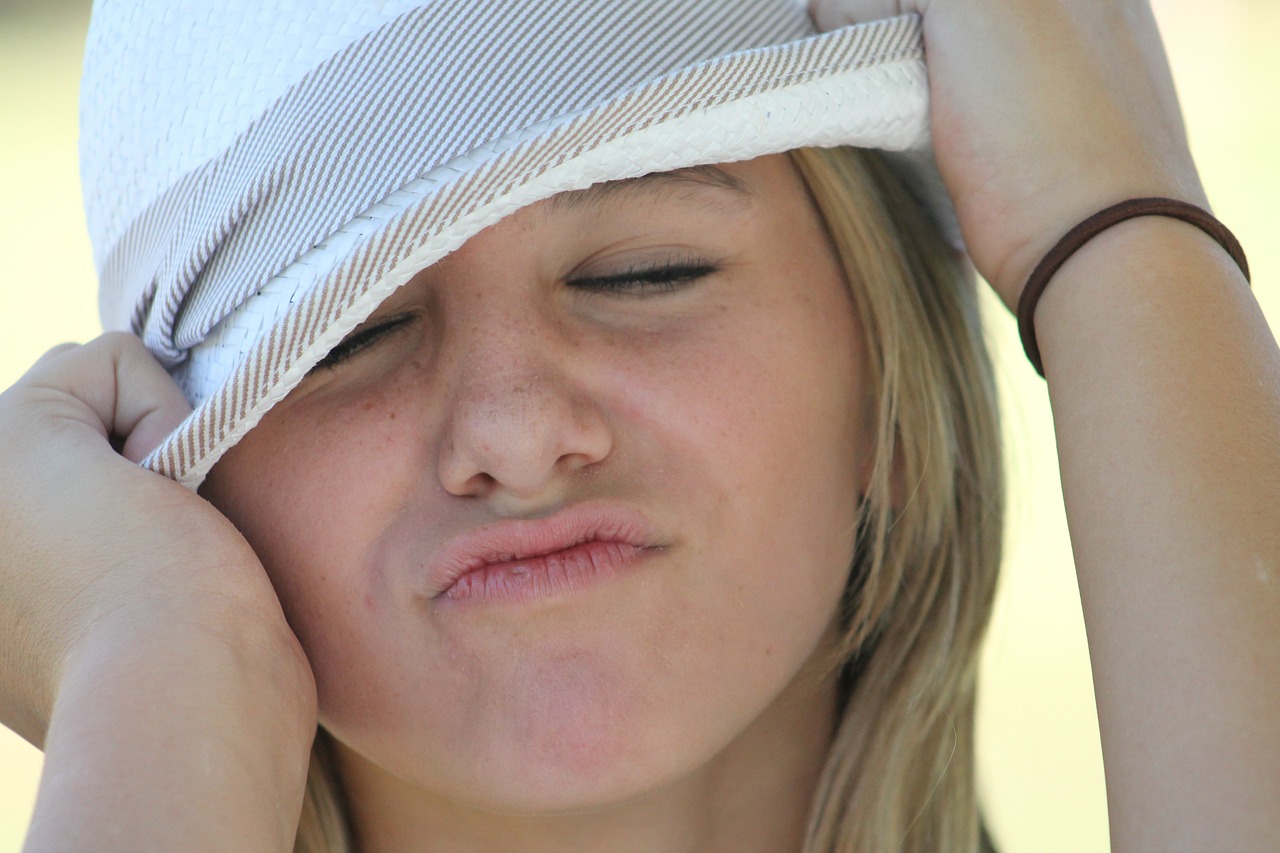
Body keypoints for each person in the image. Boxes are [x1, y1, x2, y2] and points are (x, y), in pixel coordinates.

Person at [1, 1, 1277, 852]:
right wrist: (159, 664)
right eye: (344, 340)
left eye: (642, 274)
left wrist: (1107, 240)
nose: (511, 428)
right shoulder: (163, 671)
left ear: (886, 393)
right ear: (191, 484)